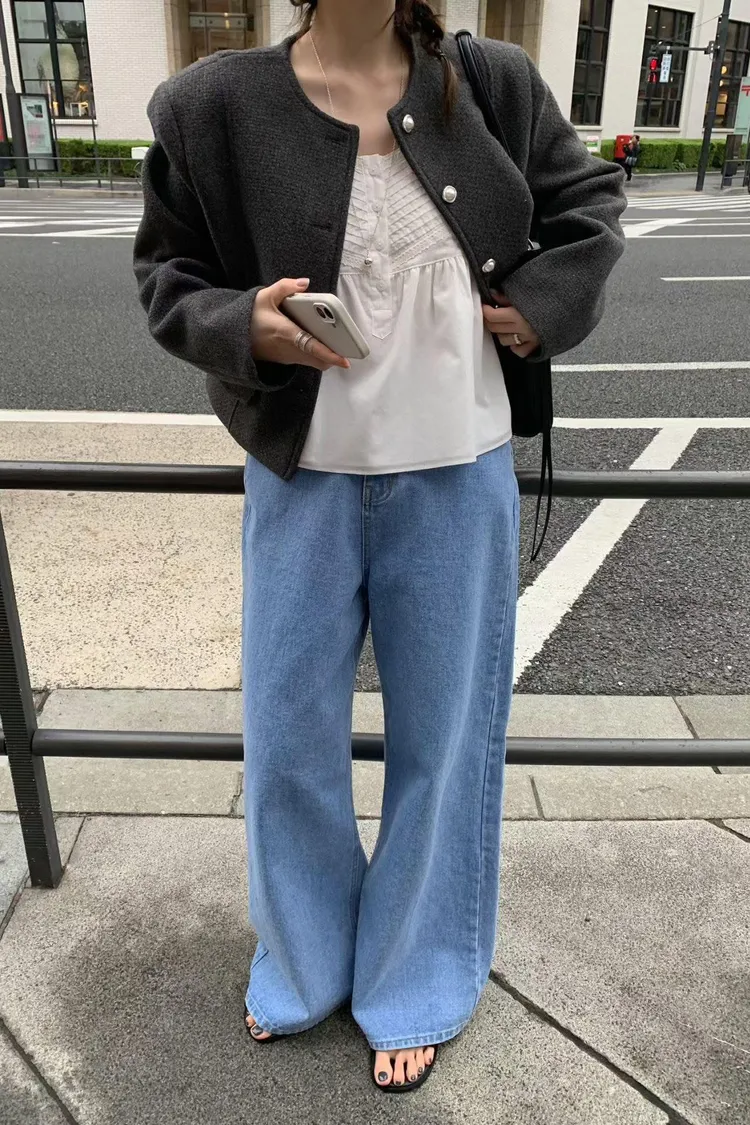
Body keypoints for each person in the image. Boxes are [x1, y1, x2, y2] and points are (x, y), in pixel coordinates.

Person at [134, 0, 626, 1095]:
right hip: (300, 480)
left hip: (459, 473)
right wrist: (241, 328)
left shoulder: (491, 82)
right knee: (287, 735)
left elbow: (590, 204)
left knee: (446, 744)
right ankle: (302, 955)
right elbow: (168, 275)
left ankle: (417, 971)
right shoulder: (214, 105)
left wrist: (540, 304)